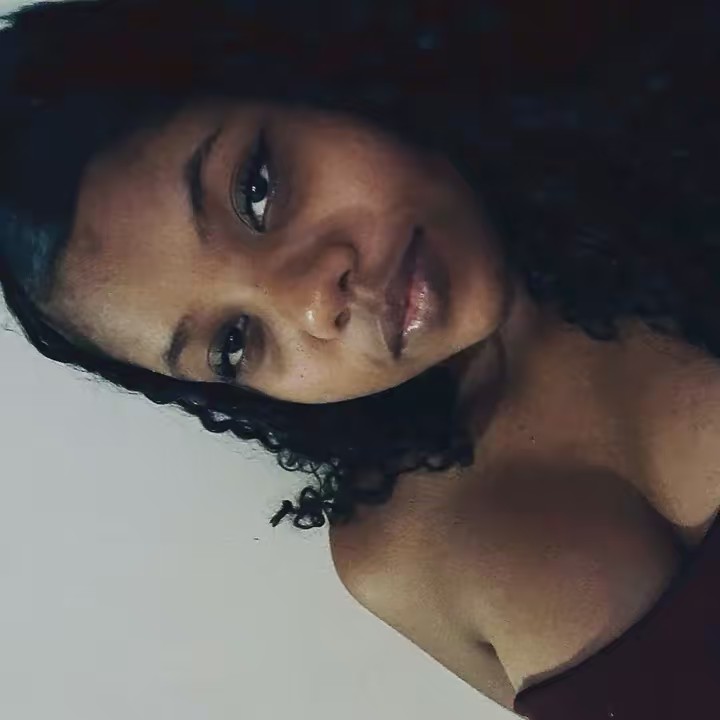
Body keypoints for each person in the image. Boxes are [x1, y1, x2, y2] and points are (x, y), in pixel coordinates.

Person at [1, 0, 719, 716]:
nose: (315, 303)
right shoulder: (399, 557)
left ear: (310, 71)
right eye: (234, 341)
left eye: (256, 191)